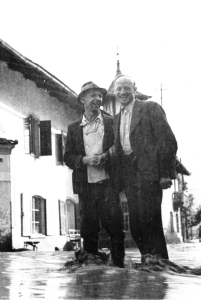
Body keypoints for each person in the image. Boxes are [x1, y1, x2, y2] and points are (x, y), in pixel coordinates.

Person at [113, 75, 178, 262]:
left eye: (126, 87)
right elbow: (118, 151)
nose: (123, 92)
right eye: (119, 89)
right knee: (136, 224)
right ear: (115, 93)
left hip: (150, 174)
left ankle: (160, 264)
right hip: (129, 177)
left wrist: (165, 173)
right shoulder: (116, 119)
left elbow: (168, 141)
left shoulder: (150, 108)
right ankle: (148, 261)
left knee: (151, 220)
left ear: (134, 89)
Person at [64, 81, 125, 268]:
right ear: (82, 100)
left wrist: (106, 156)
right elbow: (67, 157)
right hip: (86, 186)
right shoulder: (73, 128)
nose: (97, 100)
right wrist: (83, 160)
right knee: (88, 229)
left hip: (108, 184)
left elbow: (120, 147)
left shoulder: (112, 122)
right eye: (93, 96)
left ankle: (119, 268)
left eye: (100, 96)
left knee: (115, 228)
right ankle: (91, 271)